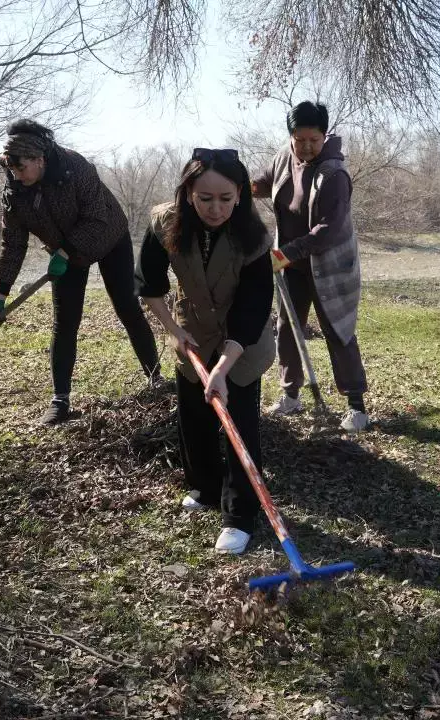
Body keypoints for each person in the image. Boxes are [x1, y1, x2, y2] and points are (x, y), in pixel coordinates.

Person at [135, 148, 274, 555]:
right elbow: (150, 284)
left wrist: (224, 368)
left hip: (242, 340)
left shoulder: (254, 236)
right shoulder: (165, 223)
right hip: (192, 331)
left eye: (227, 199)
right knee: (193, 414)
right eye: (205, 199)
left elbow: (253, 307)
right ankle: (205, 487)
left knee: (238, 422)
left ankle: (240, 514)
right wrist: (174, 331)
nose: (216, 209)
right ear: (188, 194)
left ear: (240, 196)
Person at [0, 119, 162, 424]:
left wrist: (65, 252)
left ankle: (156, 377)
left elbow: (96, 217)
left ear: (39, 160)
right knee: (65, 322)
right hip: (66, 254)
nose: (15, 175)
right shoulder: (15, 193)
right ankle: (60, 401)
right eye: (11, 169)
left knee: (126, 306)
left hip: (109, 237)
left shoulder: (76, 168)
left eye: (20, 168)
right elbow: (13, 246)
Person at [251, 101, 370, 432]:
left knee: (337, 328)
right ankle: (291, 396)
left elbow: (327, 231)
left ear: (324, 136)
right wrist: (237, 188)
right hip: (290, 263)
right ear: (290, 136)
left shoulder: (334, 174)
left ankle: (356, 406)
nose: (306, 148)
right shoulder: (284, 158)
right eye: (299, 140)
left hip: (329, 264)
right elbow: (262, 183)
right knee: (287, 328)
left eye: (313, 140)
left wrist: (287, 252)